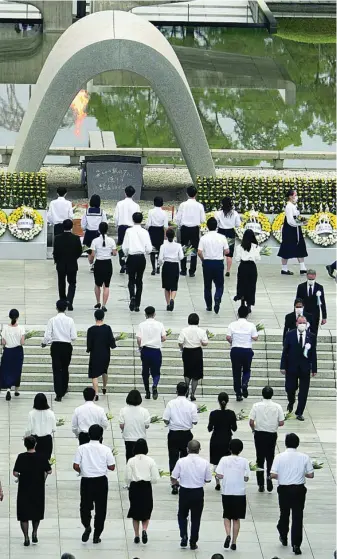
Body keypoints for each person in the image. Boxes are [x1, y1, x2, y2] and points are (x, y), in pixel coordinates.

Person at [271, 433, 314, 556]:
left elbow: (273, 474)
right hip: (299, 490)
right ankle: (296, 544)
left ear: (286, 443)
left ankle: (283, 535)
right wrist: (301, 473)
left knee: (284, 513)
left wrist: (283, 475)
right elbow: (311, 474)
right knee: (297, 516)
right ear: (297, 444)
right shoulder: (304, 457)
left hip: (284, 489)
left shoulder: (279, 457)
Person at [73, 424, 115, 544]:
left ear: (89, 435)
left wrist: (82, 470)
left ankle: (87, 526)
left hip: (86, 480)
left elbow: (75, 465)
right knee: (101, 509)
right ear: (101, 436)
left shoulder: (82, 448)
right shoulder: (106, 449)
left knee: (85, 506)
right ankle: (97, 535)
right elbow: (112, 467)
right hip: (101, 481)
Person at [171, 439, 212, 550]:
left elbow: (173, 477)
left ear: (187, 449)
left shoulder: (181, 461)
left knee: (182, 515)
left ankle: (183, 535)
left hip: (184, 491)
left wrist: (177, 483)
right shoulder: (205, 462)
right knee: (196, 518)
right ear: (199, 449)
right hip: (198, 492)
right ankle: (193, 541)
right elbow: (208, 480)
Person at [13, 435, 52, 546]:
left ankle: (26, 537)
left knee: (24, 514)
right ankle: (34, 532)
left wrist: (20, 476)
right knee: (36, 511)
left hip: (24, 488)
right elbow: (49, 471)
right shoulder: (42, 457)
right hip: (38, 487)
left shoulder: (21, 457)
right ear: (35, 444)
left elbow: (15, 472)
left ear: (25, 445)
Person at [163, 382, 198, 494]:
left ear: (176, 391)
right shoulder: (191, 405)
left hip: (173, 434)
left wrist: (172, 423)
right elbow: (195, 421)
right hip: (186, 434)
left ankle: (174, 483)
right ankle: (183, 481)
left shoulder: (171, 404)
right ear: (187, 391)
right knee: (185, 460)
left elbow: (165, 419)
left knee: (173, 459)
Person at [216, 438, 250, 552]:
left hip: (227, 491)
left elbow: (219, 475)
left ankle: (227, 534)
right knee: (236, 518)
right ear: (241, 449)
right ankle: (234, 542)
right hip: (240, 492)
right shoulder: (244, 461)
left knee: (227, 516)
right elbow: (246, 478)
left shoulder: (224, 459)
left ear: (229, 448)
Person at [281, 315, 317, 421]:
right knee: (290, 388)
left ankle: (299, 412)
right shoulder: (290, 334)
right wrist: (283, 366)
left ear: (306, 324)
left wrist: (314, 368)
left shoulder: (311, 336)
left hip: (305, 368)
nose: (302, 324)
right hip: (291, 367)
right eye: (300, 322)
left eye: (304, 323)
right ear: (297, 323)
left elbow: (313, 353)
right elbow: (285, 351)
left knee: (304, 391)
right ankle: (291, 401)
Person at [249, 386, 284, 493]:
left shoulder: (256, 406)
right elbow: (281, 422)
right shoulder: (277, 407)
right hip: (271, 435)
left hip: (259, 434)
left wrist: (254, 429)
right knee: (270, 458)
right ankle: (269, 478)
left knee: (259, 459)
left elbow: (251, 422)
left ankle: (260, 484)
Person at [126, 438, 159, 544]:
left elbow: (127, 477)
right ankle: (144, 530)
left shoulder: (131, 461)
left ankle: (136, 535)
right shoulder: (150, 461)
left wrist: (128, 483)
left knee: (135, 511)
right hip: (146, 487)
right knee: (146, 510)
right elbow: (155, 478)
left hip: (135, 487)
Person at [42, 300, 77, 402]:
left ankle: (58, 394)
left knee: (56, 370)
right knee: (65, 368)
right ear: (66, 308)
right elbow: (74, 337)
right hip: (67, 346)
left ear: (56, 308)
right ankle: (64, 388)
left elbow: (47, 336)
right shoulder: (70, 320)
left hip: (56, 346)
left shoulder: (52, 320)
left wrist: (44, 343)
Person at [198, 216, 229, 314]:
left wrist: (203, 259)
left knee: (207, 286)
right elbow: (227, 251)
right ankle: (217, 297)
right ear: (217, 226)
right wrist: (222, 254)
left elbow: (199, 252)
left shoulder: (203, 238)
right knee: (219, 285)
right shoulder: (222, 237)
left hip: (207, 263)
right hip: (218, 262)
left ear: (207, 226)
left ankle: (209, 305)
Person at [226, 306, 258, 401]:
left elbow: (228, 337)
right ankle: (244, 383)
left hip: (235, 350)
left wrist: (232, 341)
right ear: (247, 315)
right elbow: (255, 337)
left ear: (238, 314)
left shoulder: (232, 324)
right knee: (247, 369)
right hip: (247, 350)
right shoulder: (251, 325)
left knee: (236, 372)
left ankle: (238, 393)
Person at [122, 212, 152, 311]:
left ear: (133, 219)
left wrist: (125, 255)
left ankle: (132, 297)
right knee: (139, 280)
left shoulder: (128, 231)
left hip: (131, 257)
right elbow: (149, 249)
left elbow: (125, 247)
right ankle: (138, 304)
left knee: (131, 279)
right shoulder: (145, 232)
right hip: (141, 258)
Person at [208, 392, 237, 490]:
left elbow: (209, 428)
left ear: (218, 401)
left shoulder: (213, 413)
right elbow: (234, 428)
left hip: (215, 439)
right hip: (227, 440)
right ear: (227, 401)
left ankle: (217, 482)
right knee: (227, 462)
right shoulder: (231, 414)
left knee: (216, 462)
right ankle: (226, 480)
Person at [136, 306, 166, 400]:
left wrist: (140, 347)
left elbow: (139, 338)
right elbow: (164, 338)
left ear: (145, 314)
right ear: (154, 314)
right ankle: (155, 385)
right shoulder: (160, 324)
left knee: (145, 371)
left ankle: (147, 392)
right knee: (156, 371)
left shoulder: (141, 325)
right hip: (156, 350)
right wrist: (157, 340)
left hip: (145, 350)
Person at [176, 186, 206, 277]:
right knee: (194, 249)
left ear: (187, 194)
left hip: (185, 228)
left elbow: (178, 218)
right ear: (196, 194)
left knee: (184, 248)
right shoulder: (200, 205)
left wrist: (179, 225)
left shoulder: (183, 205)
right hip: (194, 229)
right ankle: (192, 271)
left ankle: (183, 269)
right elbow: (203, 219)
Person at [53, 219, 83, 311]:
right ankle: (69, 302)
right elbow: (79, 251)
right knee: (72, 283)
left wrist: (57, 260)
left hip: (61, 264)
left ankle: (62, 301)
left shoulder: (57, 238)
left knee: (61, 283)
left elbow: (55, 252)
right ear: (71, 227)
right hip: (72, 264)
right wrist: (74, 258)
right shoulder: (76, 238)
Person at [178, 313, 208, 401]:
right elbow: (205, 343)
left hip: (187, 352)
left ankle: (186, 388)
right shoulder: (201, 331)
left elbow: (180, 342)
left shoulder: (184, 330)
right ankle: (193, 393)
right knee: (196, 375)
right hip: (197, 352)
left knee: (187, 372)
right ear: (198, 321)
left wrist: (181, 348)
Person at [86, 309, 116, 398]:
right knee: (104, 371)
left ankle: (96, 393)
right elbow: (111, 342)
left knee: (94, 374)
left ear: (95, 317)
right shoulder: (107, 328)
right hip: (105, 353)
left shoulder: (91, 330)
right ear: (103, 317)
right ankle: (104, 386)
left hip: (95, 353)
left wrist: (89, 349)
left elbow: (89, 344)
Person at [277, 189, 307, 275]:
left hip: (296, 228)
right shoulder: (289, 206)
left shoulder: (294, 205)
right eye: (295, 195)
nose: (296, 197)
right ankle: (284, 269)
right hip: (290, 229)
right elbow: (290, 220)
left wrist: (302, 221)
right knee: (286, 247)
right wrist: (300, 223)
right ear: (290, 196)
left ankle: (302, 267)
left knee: (300, 246)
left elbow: (296, 217)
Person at [89, 222, 117, 312]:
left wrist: (91, 262)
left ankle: (98, 302)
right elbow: (115, 253)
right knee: (106, 285)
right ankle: (104, 305)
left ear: (99, 230)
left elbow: (92, 254)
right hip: (108, 263)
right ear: (107, 230)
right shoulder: (111, 240)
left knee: (97, 284)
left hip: (99, 263)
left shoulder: (95, 241)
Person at [114, 185, 140, 273]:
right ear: (133, 194)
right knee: (130, 246)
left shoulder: (119, 204)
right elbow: (138, 217)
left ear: (125, 193)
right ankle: (129, 264)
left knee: (120, 246)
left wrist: (116, 225)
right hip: (132, 227)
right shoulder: (136, 205)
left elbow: (116, 217)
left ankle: (123, 264)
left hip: (122, 227)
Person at [119, 390, 151, 461]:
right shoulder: (144, 411)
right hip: (141, 438)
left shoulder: (123, 410)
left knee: (129, 458)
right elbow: (147, 426)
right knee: (141, 459)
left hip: (128, 438)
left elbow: (121, 425)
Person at [0, 309, 25, 401]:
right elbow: (22, 342)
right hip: (17, 351)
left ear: (9, 317)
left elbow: (3, 342)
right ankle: (16, 390)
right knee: (17, 370)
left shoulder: (5, 328)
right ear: (17, 317)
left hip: (8, 351)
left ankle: (8, 389)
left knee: (7, 370)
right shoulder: (21, 328)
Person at [234, 229, 260, 313]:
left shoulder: (239, 247)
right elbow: (257, 258)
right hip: (252, 267)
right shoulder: (255, 246)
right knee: (251, 286)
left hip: (243, 267)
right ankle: (249, 304)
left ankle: (242, 303)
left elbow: (237, 259)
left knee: (242, 285)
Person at [158, 227, 184, 311]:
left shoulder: (163, 246)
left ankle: (168, 303)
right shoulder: (178, 245)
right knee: (174, 286)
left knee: (166, 287)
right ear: (174, 236)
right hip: (175, 265)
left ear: (166, 235)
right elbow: (181, 256)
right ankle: (172, 299)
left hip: (166, 265)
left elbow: (160, 258)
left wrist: (160, 265)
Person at [214, 197, 241, 276]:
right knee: (229, 253)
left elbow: (216, 223)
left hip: (221, 232)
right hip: (230, 232)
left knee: (220, 252)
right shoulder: (235, 213)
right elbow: (238, 224)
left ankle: (220, 269)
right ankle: (228, 270)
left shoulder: (218, 213)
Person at [26, 393, 57, 461]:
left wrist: (26, 437)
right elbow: (54, 428)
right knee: (46, 461)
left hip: (35, 441)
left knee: (35, 461)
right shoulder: (51, 413)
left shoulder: (31, 414)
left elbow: (29, 429)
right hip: (47, 441)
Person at [295, 269, 327, 334]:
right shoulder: (301, 287)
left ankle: (313, 344)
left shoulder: (319, 287)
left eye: (312, 279)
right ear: (307, 276)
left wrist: (324, 317)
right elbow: (297, 301)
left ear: (315, 276)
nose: (311, 281)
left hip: (315, 314)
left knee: (314, 332)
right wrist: (296, 314)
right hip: (304, 313)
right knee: (303, 331)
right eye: (309, 279)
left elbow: (322, 302)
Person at [81, 194, 108, 270]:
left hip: (89, 234)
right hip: (99, 234)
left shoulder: (86, 212)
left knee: (90, 250)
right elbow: (105, 223)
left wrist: (85, 229)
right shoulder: (102, 212)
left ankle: (92, 264)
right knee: (99, 250)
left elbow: (83, 224)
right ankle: (96, 263)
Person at [146, 196, 168, 275]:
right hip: (160, 231)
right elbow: (165, 225)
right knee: (159, 250)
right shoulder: (164, 213)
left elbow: (148, 223)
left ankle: (153, 268)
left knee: (152, 251)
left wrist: (146, 229)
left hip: (152, 230)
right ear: (162, 203)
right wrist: (165, 235)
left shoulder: (151, 211)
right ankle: (158, 267)